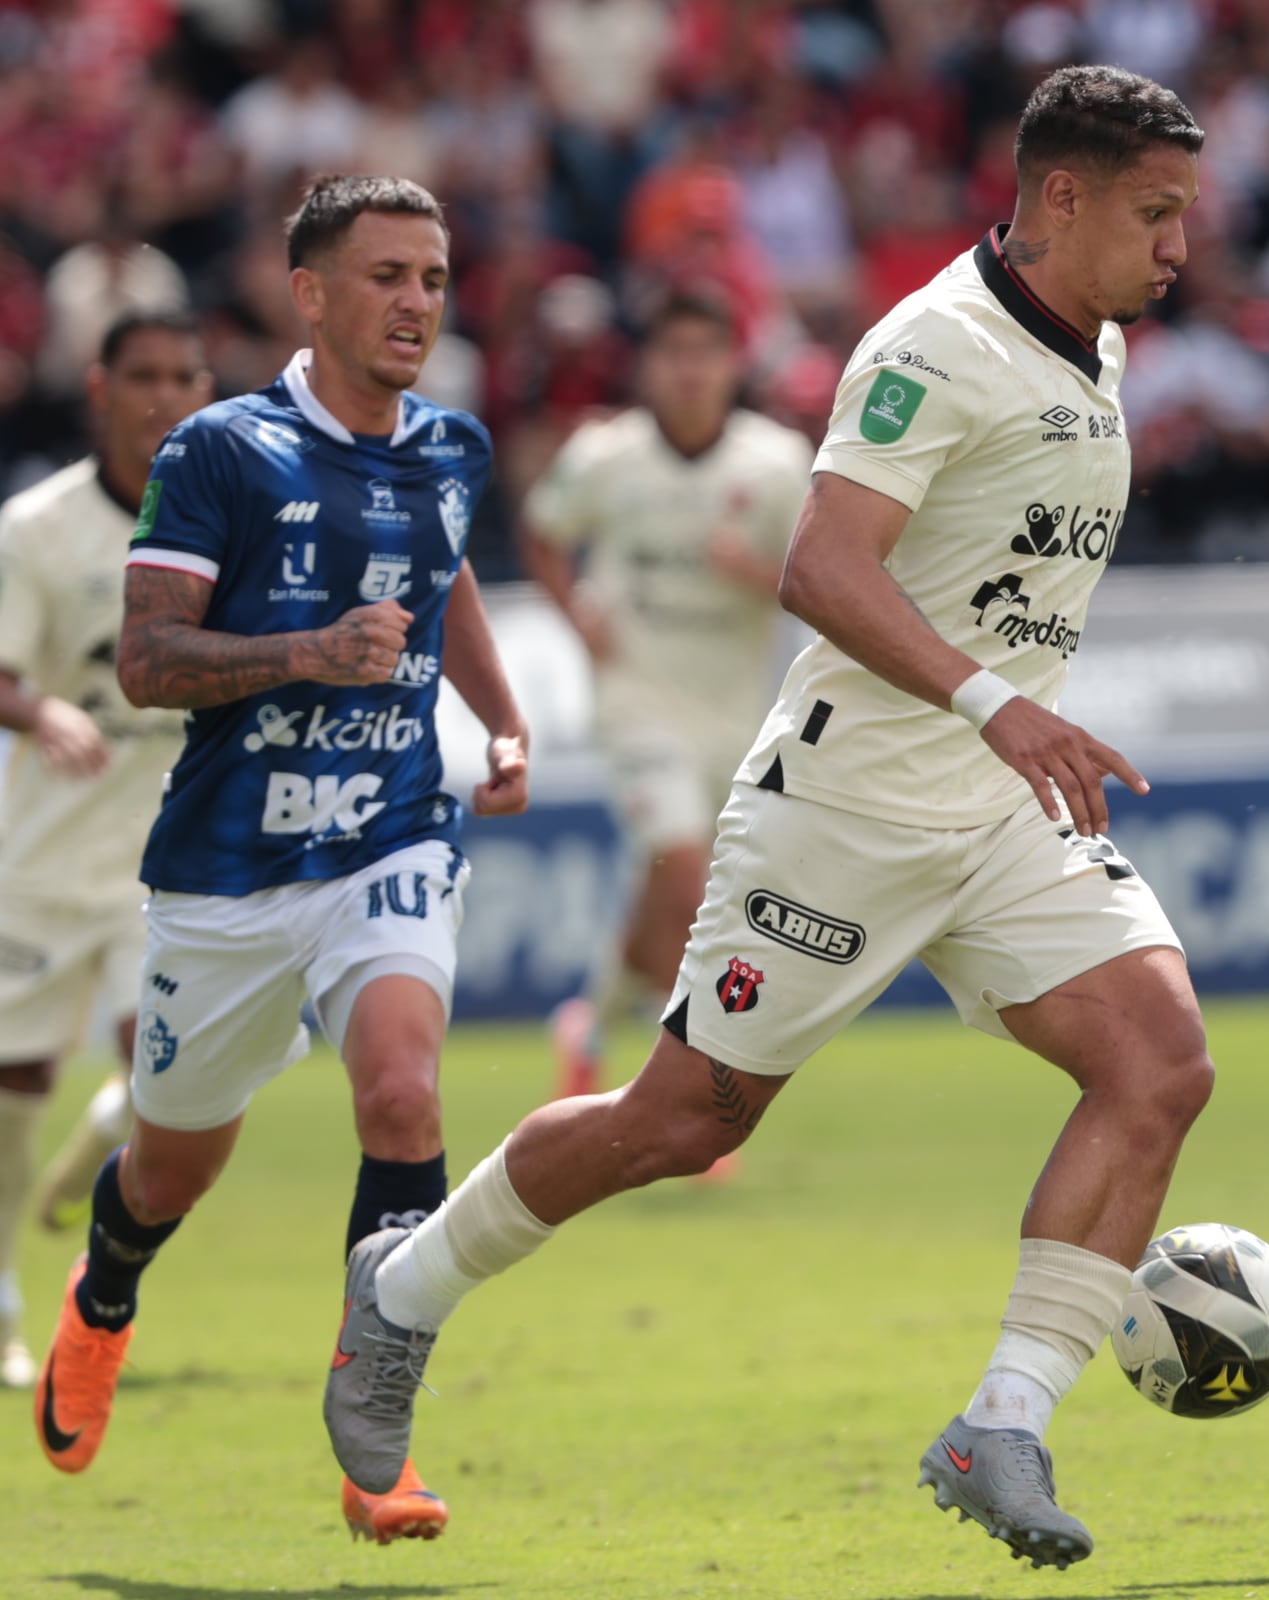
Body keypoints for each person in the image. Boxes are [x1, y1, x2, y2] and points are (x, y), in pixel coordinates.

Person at [325, 66, 1211, 1572]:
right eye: (1155, 211)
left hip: (999, 810)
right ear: (1059, 198)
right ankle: (400, 1293)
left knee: (1161, 1065)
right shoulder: (936, 345)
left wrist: (1004, 727)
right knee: (682, 1122)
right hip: (848, 805)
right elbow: (821, 566)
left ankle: (1000, 1423)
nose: (1181, 244)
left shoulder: (1096, 346)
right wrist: (1001, 701)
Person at [33, 176, 531, 1551]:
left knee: (402, 1088)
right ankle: (107, 1293)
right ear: (307, 293)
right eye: (385, 277)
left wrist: (497, 716)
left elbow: (448, 574)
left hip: (389, 832)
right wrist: (308, 653)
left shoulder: (454, 446)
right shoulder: (220, 452)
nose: (416, 304)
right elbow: (145, 662)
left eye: (432, 278)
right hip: (228, 873)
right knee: (170, 1170)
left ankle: (380, 1443)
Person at [521, 291, 813, 1117]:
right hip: (637, 701)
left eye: (706, 354)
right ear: (649, 367)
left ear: (732, 366)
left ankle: (587, 1023)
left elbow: (821, 583)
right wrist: (575, 608)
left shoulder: (777, 463)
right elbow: (543, 531)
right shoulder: (606, 455)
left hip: (732, 710)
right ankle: (685, 1092)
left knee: (667, 886)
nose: (690, 373)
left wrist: (751, 572)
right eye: (673, 354)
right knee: (684, 874)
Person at [0, 310, 211, 1392]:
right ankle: (0, 1301)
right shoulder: (37, 528)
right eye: (144, 376)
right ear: (101, 387)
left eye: (184, 375)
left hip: (169, 865)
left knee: (180, 1075)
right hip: (42, 853)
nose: (163, 395)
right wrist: (40, 714)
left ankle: (103, 1157)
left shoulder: (229, 520)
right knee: (12, 1079)